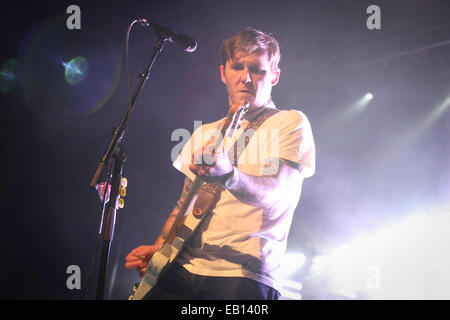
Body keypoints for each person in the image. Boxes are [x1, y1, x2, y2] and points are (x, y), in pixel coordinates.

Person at [125, 27, 315, 300]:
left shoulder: (290, 122)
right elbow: (184, 203)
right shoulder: (204, 133)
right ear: (223, 72)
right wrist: (160, 248)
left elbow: (274, 192)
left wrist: (228, 174)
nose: (246, 78)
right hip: (181, 267)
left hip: (241, 276)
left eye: (258, 70)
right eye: (237, 67)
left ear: (274, 76)